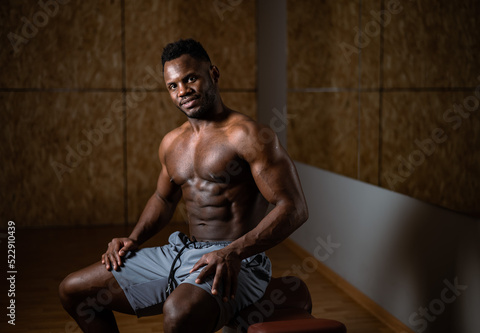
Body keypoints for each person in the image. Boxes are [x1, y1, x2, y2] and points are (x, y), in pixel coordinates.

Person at [59, 38, 308, 333]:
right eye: (172, 85)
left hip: (237, 260)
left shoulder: (247, 135)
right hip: (182, 253)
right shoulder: (171, 143)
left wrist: (234, 252)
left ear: (213, 74)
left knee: (178, 313)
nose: (182, 91)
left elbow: (294, 208)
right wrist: (134, 238)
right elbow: (163, 199)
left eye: (190, 78)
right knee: (73, 290)